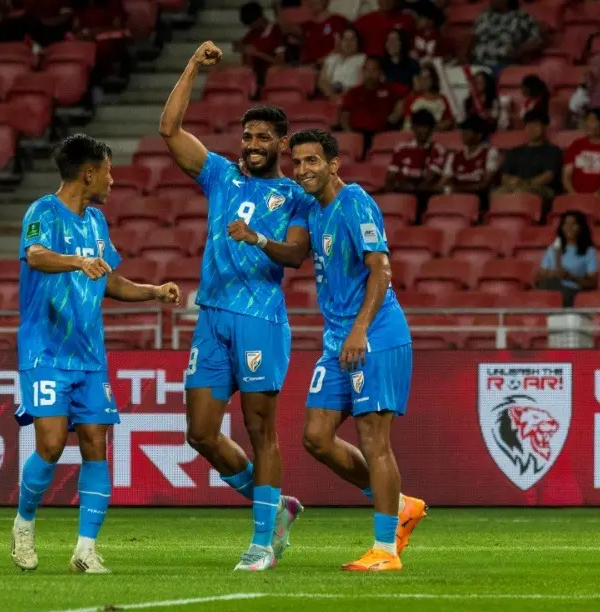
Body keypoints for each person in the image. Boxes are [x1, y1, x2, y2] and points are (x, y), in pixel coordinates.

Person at [226, 128, 426, 571]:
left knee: (375, 441)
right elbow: (293, 254)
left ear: (333, 164)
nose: (302, 170)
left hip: (373, 336)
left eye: (312, 161)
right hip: (337, 340)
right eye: (297, 163)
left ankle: (385, 551)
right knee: (316, 437)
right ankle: (398, 504)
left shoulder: (355, 203)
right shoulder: (315, 212)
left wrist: (359, 331)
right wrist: (257, 238)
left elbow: (381, 269)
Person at [158, 42, 316, 571]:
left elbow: (296, 254)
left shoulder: (295, 196)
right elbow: (170, 132)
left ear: (281, 144)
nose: (250, 144)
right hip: (213, 317)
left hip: (260, 320)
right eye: (246, 136)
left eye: (262, 138)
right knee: (200, 432)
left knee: (260, 430)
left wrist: (254, 239)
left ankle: (261, 542)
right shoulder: (221, 176)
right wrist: (192, 68)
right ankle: (278, 508)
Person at [10, 134, 181, 574]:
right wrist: (76, 261)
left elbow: (111, 280)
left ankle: (85, 550)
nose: (112, 178)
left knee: (95, 444)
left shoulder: (98, 221)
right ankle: (24, 525)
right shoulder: (43, 212)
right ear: (88, 172)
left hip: (89, 355)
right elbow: (36, 256)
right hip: (45, 348)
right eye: (108, 169)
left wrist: (153, 291)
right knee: (49, 445)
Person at [493, 109, 561, 201]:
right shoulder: (515, 151)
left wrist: (526, 183)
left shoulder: (553, 151)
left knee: (521, 192)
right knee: (496, 193)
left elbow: (548, 176)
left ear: (545, 126)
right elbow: (505, 175)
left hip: (542, 188)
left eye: (535, 125)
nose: (531, 128)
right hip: (515, 186)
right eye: (528, 125)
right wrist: (510, 182)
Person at [534, 210, 598, 306]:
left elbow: (592, 282)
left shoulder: (589, 251)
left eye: (574, 224)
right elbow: (539, 277)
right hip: (549, 288)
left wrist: (570, 277)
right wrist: (552, 274)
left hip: (572, 292)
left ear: (581, 227)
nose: (569, 227)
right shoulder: (553, 249)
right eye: (566, 224)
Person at [339, 56, 405, 147]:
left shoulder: (389, 90)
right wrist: (350, 135)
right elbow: (344, 116)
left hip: (383, 135)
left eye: (374, 70)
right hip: (358, 135)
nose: (370, 74)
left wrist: (394, 118)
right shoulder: (353, 93)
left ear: (380, 72)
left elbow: (403, 100)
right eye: (367, 70)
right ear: (363, 71)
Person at [384, 109, 447, 199]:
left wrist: (412, 191)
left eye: (426, 127)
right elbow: (390, 176)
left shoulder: (438, 150)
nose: (423, 130)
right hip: (401, 192)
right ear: (413, 127)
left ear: (432, 129)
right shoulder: (401, 148)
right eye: (420, 126)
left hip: (423, 195)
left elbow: (429, 178)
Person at [437, 116, 501, 197]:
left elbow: (485, 185)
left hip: (479, 200)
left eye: (467, 131)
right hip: (456, 200)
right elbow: (442, 183)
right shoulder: (454, 156)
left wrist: (457, 190)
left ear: (479, 135)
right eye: (463, 130)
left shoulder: (490, 153)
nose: (463, 134)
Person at [470, 0, 543, 70]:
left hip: (503, 65)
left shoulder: (521, 17)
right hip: (478, 63)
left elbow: (537, 42)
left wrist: (519, 51)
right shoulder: (484, 16)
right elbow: (472, 37)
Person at [392, 63, 454, 131]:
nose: (425, 81)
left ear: (433, 79)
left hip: (436, 135)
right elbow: (407, 123)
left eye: (428, 78)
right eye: (423, 78)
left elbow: (449, 121)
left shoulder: (442, 99)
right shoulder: (412, 98)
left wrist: (436, 127)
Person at [237, 1, 287, 82]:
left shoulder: (277, 32)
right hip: (255, 81)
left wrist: (258, 53)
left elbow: (281, 63)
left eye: (253, 24)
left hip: (276, 79)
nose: (251, 27)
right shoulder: (249, 37)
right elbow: (246, 67)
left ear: (260, 18)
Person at [317, 27, 366, 100]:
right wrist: (332, 95)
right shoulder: (331, 58)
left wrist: (344, 96)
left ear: (357, 42)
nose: (348, 43)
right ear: (340, 42)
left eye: (352, 39)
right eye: (345, 39)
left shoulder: (363, 59)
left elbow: (362, 83)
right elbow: (322, 80)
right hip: (330, 96)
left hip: (353, 97)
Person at [298, 0, 351, 65]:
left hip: (330, 66)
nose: (310, 2)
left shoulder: (339, 21)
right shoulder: (303, 24)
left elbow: (345, 48)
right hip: (304, 67)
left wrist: (320, 63)